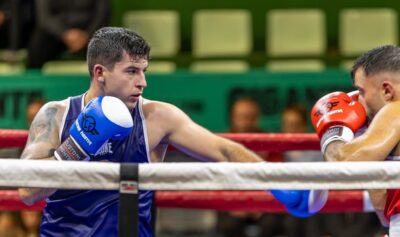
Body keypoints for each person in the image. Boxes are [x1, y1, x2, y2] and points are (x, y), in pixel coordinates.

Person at [18, 27, 326, 237]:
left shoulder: (156, 117)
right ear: (100, 72)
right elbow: (28, 193)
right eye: (131, 71)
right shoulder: (56, 115)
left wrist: (283, 186)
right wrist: (76, 148)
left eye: (144, 71)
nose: (142, 83)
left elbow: (223, 150)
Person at [310, 45, 400, 236]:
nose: (358, 101)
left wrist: (334, 130)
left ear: (386, 91)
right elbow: (386, 213)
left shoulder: (396, 109)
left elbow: (342, 165)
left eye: (361, 91)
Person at [26, 0, 110, 68]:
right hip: (56, 33)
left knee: (105, 44)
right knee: (37, 45)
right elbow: (44, 17)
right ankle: (35, 85)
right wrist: (64, 33)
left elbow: (102, 14)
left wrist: (87, 35)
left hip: (88, 33)